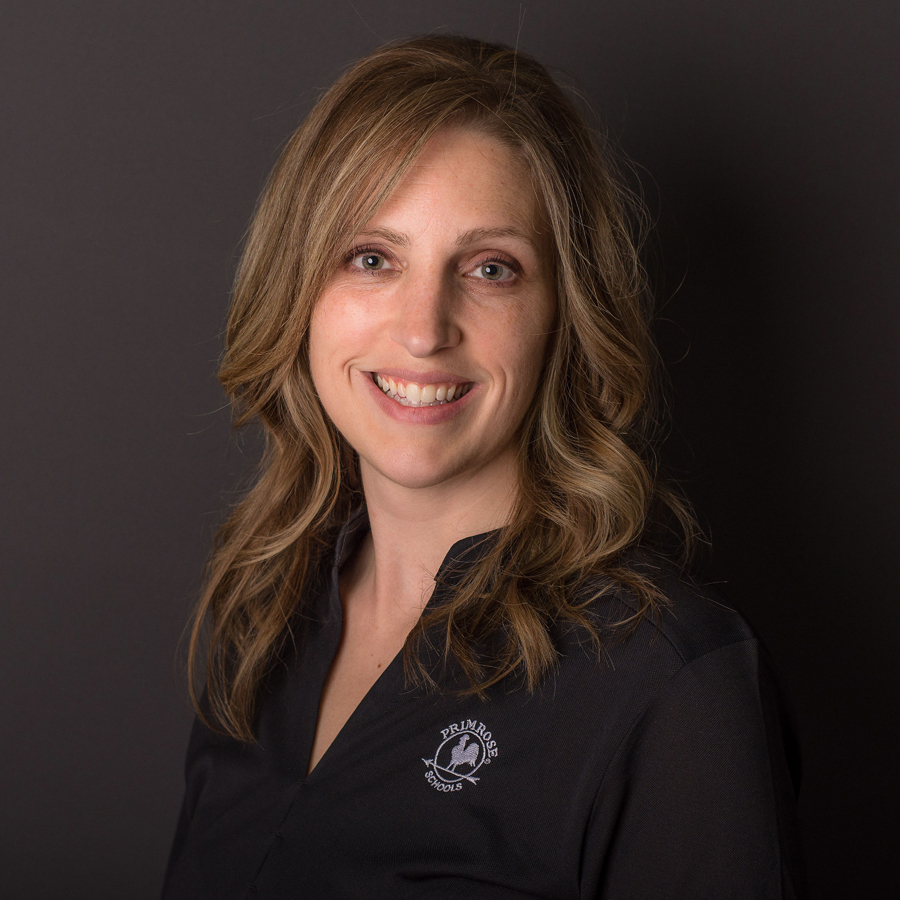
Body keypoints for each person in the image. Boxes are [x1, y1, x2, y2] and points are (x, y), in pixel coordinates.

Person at [162, 35, 806, 899]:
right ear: (300, 293)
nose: (425, 328)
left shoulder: (670, 684)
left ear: (564, 320)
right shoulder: (262, 619)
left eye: (492, 268)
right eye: (372, 258)